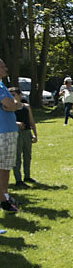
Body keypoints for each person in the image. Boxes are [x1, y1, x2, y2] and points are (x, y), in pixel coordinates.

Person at [0, 58, 21, 212]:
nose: (5, 69)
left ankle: (5, 197)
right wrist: (14, 104)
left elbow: (13, 105)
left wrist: (13, 104)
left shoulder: (2, 85)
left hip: (7, 131)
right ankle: (4, 200)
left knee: (5, 167)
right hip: (3, 132)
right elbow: (10, 104)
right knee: (3, 166)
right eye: (2, 66)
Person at [9, 87, 37, 187]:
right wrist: (16, 123)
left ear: (20, 95)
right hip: (16, 133)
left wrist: (35, 134)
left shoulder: (26, 107)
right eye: (10, 95)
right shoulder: (9, 108)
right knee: (17, 156)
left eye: (14, 95)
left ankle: (27, 176)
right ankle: (18, 180)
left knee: (27, 155)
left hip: (27, 133)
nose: (12, 97)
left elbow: (31, 121)